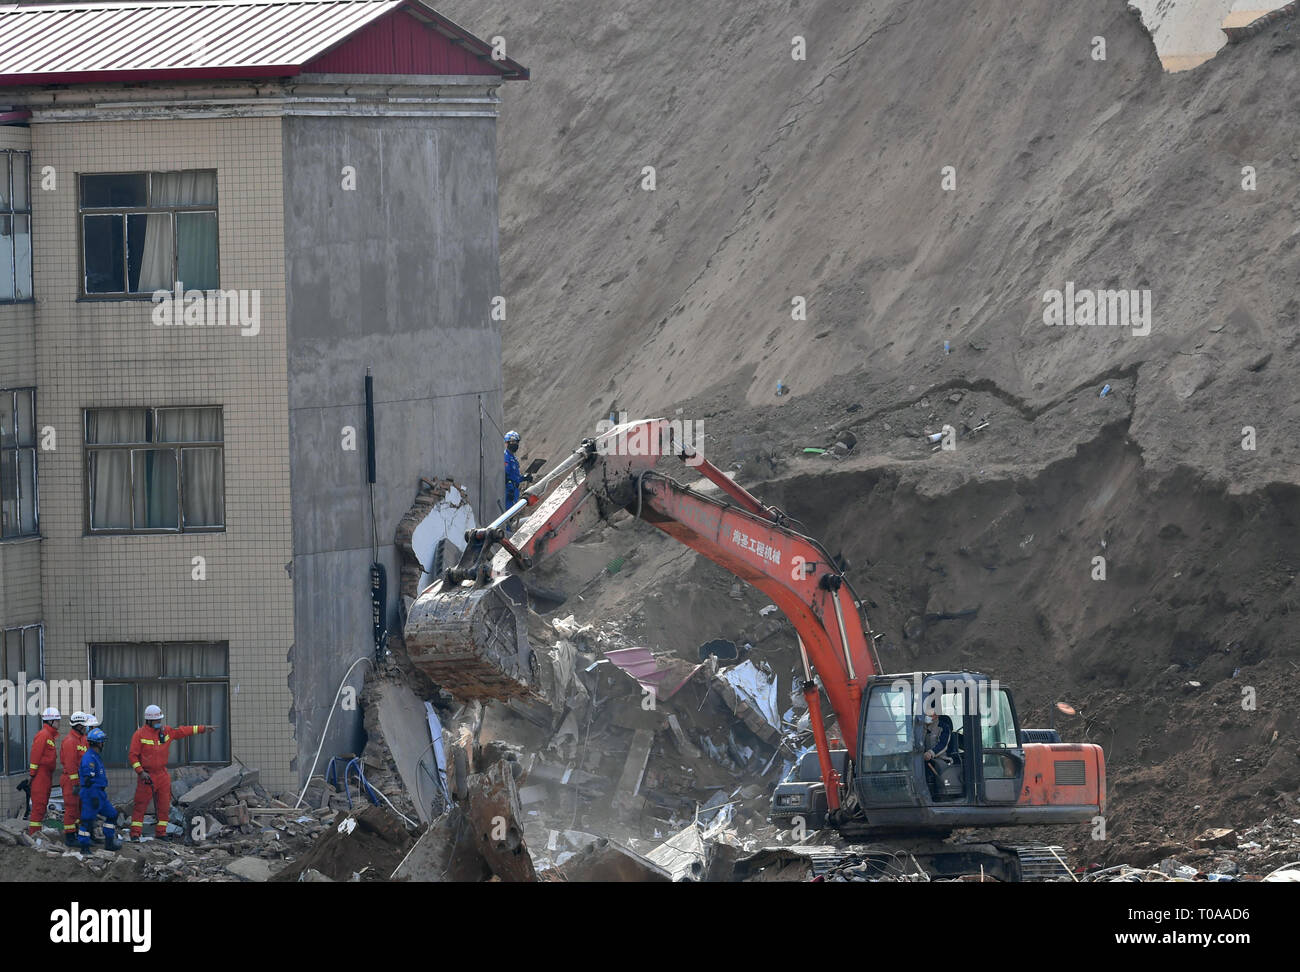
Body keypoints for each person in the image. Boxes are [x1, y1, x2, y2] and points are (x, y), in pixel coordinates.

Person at [128, 705, 214, 841]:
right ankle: (135, 834)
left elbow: (182, 731)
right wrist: (141, 772)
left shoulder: (166, 731)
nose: (159, 723)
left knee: (164, 805)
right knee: (140, 805)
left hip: (162, 774)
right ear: (149, 721)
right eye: (156, 721)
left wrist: (202, 729)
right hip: (147, 775)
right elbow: (133, 756)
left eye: (160, 720)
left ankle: (161, 833)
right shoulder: (139, 735)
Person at [77, 727, 120, 852]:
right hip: (91, 793)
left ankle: (109, 842)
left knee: (112, 814)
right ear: (97, 743)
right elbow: (88, 780)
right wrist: (94, 796)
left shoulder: (95, 756)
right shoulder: (89, 758)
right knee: (87, 821)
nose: (103, 744)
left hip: (100, 794)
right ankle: (84, 848)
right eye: (102, 742)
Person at [59, 712, 93, 847]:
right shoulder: (69, 741)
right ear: (78, 726)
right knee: (71, 809)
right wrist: (75, 783)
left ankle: (79, 834)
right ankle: (70, 837)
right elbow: (70, 764)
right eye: (84, 725)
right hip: (70, 780)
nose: (86, 728)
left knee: (80, 809)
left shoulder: (83, 739)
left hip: (81, 780)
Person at [26, 706, 60, 836]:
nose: (58, 723)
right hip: (40, 776)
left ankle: (36, 833)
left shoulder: (48, 736)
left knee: (42, 804)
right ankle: (34, 836)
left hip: (45, 776)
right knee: (39, 806)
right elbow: (35, 755)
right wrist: (32, 774)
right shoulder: (43, 735)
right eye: (57, 720)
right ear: (50, 721)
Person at [503, 430, 533, 507]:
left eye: (517, 442)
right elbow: (505, 474)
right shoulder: (506, 456)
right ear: (507, 443)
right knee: (508, 512)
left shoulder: (514, 458)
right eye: (513, 442)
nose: (515, 444)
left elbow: (515, 477)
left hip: (515, 489)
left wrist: (524, 478)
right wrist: (509, 487)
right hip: (508, 490)